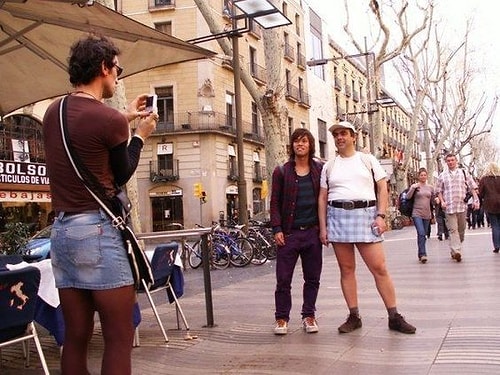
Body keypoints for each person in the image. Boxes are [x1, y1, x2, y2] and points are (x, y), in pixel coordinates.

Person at [43, 35, 157, 375]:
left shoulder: (53, 113)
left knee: (75, 337)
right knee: (119, 337)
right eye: (117, 69)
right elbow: (121, 173)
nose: (118, 77)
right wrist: (140, 135)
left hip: (61, 232)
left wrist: (127, 116)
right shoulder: (108, 120)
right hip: (98, 232)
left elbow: (85, 127)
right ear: (104, 67)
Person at [318, 121, 416, 334]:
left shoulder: (367, 159)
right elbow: (322, 197)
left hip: (366, 215)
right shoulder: (329, 166)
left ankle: (394, 316)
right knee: (346, 269)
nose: (339, 137)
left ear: (353, 137)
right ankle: (354, 316)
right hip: (337, 216)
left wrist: (381, 216)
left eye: (343, 133)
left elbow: (382, 187)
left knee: (379, 268)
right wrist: (323, 227)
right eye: (336, 134)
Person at [270, 128, 323, 335]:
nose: (300, 145)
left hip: (312, 233)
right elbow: (274, 202)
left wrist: (323, 229)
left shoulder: (320, 170)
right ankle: (282, 318)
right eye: (296, 142)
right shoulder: (282, 171)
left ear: (310, 145)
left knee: (312, 278)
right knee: (283, 279)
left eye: (304, 141)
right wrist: (277, 229)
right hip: (289, 234)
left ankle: (309, 316)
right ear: (291, 146)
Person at [435, 154, 479, 262]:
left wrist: (476, 199)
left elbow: (472, 187)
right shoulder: (442, 175)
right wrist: (442, 201)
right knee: (453, 230)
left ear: (456, 161)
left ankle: (454, 249)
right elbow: (438, 191)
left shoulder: (464, 173)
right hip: (449, 207)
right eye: (448, 160)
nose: (450, 162)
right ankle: (457, 250)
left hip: (462, 206)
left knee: (461, 230)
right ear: (446, 162)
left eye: (452, 160)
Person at [406, 168, 436, 263]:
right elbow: (408, 197)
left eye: (424, 175)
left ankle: (420, 253)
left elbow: (433, 201)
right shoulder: (415, 186)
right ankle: (423, 254)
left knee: (424, 234)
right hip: (416, 213)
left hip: (427, 214)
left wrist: (436, 201)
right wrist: (413, 188)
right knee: (421, 232)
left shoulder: (430, 187)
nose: (423, 177)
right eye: (421, 175)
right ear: (418, 176)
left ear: (427, 176)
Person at [478, 162, 500, 253]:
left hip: (490, 204)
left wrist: (483, 199)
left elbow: (481, 193)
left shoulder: (484, 180)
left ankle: (497, 245)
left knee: (494, 225)